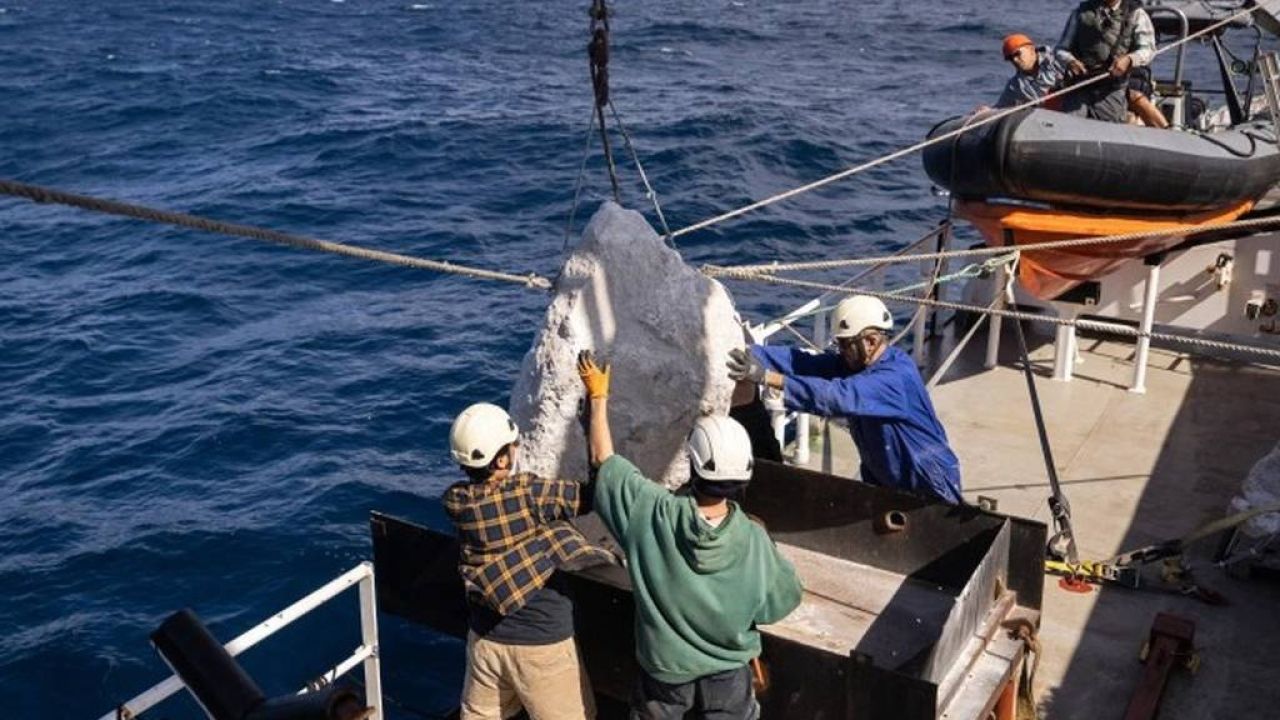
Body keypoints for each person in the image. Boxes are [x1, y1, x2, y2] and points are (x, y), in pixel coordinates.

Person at [577, 351, 803, 720]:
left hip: (664, 672)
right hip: (729, 674)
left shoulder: (650, 513)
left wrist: (598, 398)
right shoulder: (755, 540)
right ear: (745, 473)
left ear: (693, 463)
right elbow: (781, 602)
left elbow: (605, 462)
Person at [443, 402, 613, 720]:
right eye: (512, 445)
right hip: (542, 645)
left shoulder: (457, 503)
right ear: (503, 458)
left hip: (485, 640)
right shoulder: (527, 493)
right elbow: (596, 495)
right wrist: (593, 420)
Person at [726, 295, 963, 505]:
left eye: (845, 344)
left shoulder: (895, 378)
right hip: (883, 473)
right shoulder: (855, 364)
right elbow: (802, 363)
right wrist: (750, 353)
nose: (841, 351)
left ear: (870, 341)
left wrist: (764, 377)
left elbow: (835, 397)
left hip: (925, 477)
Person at [1054, 0, 1162, 124]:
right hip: (1080, 86)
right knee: (1068, 124)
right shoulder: (1080, 13)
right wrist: (1070, 61)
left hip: (1111, 88)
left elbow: (1148, 49)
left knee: (1109, 128)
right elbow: (1061, 49)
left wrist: (1129, 59)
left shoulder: (1136, 14)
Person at [993, 33, 1068, 109]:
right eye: (1010, 58)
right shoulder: (1016, 86)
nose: (1015, 60)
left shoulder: (1057, 60)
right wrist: (987, 112)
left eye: (1017, 54)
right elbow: (999, 109)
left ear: (1031, 49)